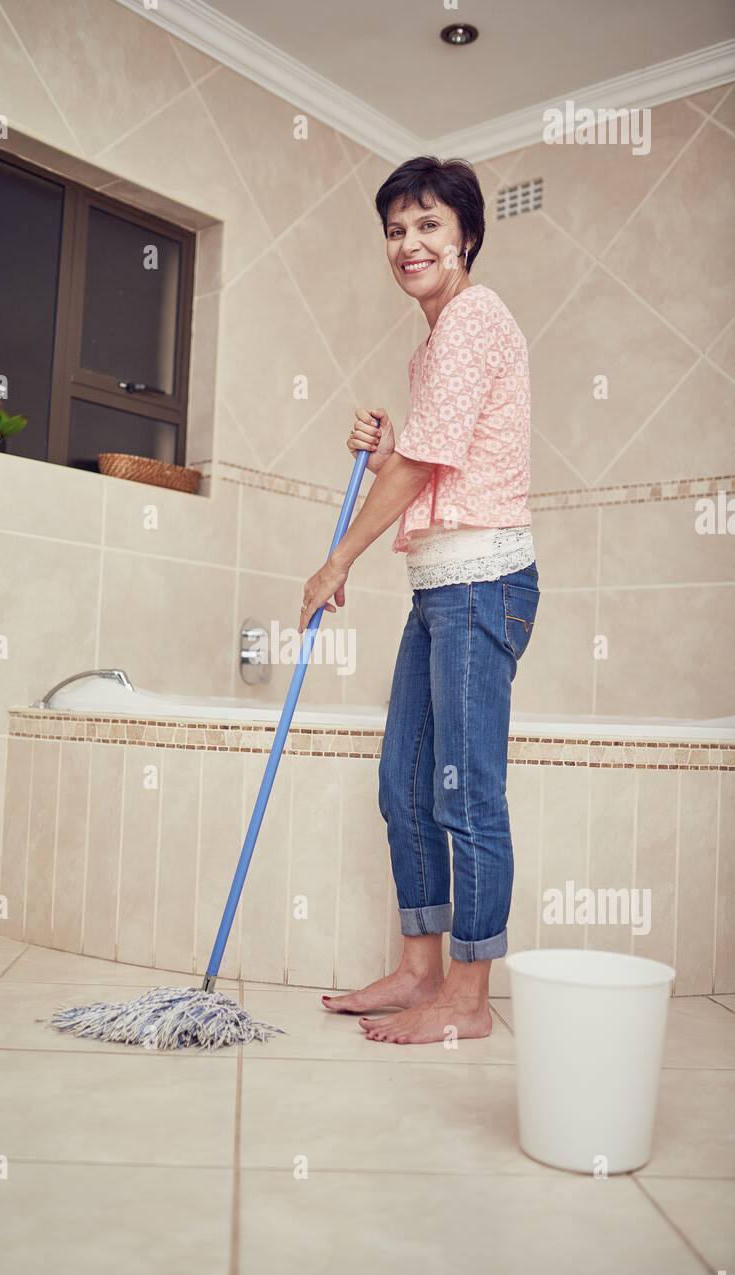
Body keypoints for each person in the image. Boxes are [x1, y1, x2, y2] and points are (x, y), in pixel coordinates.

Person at [298, 156, 540, 1044]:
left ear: (466, 235)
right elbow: (438, 457)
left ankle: (468, 1001)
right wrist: (396, 443)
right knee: (404, 784)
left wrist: (336, 561)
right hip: (441, 584)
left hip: (483, 585)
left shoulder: (475, 317)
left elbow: (424, 470)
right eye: (396, 230)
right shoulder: (432, 342)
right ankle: (417, 969)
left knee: (465, 795)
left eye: (427, 225)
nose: (409, 244)